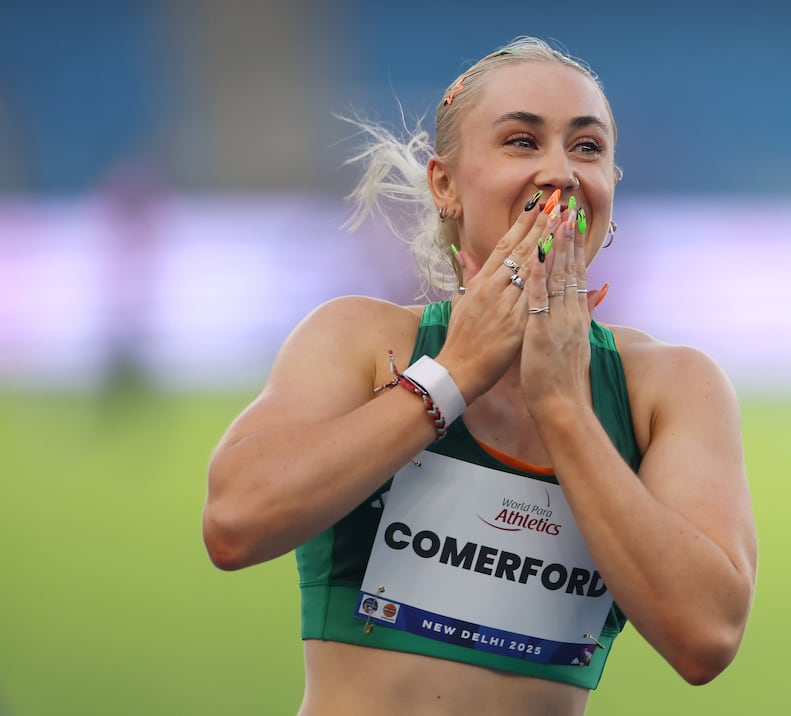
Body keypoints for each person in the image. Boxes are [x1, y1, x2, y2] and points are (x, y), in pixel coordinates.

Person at [203, 36, 757, 715]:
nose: (560, 172)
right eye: (522, 141)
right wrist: (452, 376)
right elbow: (232, 525)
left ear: (612, 183)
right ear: (445, 185)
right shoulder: (360, 340)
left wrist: (565, 411)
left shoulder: (667, 389)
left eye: (587, 148)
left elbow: (705, 638)